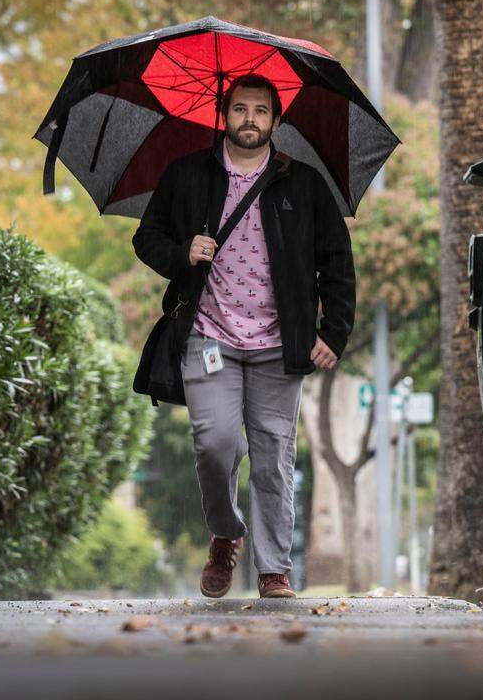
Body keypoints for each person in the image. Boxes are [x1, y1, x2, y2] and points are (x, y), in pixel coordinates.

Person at [131, 73, 356, 599]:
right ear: (224, 115)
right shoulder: (188, 175)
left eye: (260, 110)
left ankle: (274, 569)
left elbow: (337, 264)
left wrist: (334, 332)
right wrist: (182, 252)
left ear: (275, 120)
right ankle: (226, 532)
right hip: (208, 337)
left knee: (273, 457)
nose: (249, 118)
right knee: (216, 445)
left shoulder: (303, 184)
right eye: (239, 109)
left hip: (280, 344)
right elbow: (147, 238)